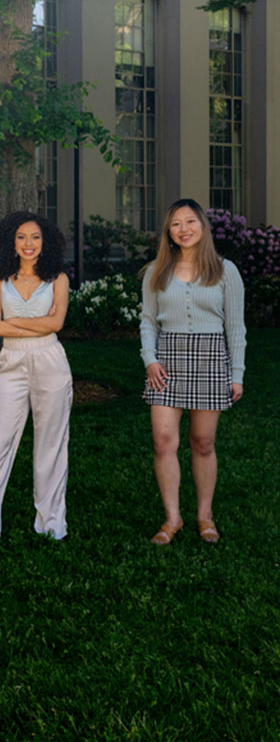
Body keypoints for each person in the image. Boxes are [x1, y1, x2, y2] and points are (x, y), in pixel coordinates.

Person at [140, 198, 245, 545]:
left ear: (202, 226)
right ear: (168, 233)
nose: (183, 229)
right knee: (163, 441)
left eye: (190, 222)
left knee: (203, 442)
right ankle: (172, 519)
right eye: (175, 224)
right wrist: (150, 359)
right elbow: (147, 322)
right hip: (166, 362)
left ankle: (205, 515)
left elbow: (236, 327)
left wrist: (237, 373)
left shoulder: (224, 269)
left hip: (211, 358)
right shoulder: (158, 270)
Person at [0, 212, 72, 543]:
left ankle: (50, 524)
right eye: (21, 238)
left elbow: (56, 326)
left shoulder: (58, 279)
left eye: (35, 237)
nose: (28, 244)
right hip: (11, 362)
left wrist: (15, 324)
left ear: (46, 243)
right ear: (11, 243)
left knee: (51, 445)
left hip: (50, 361)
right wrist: (37, 322)